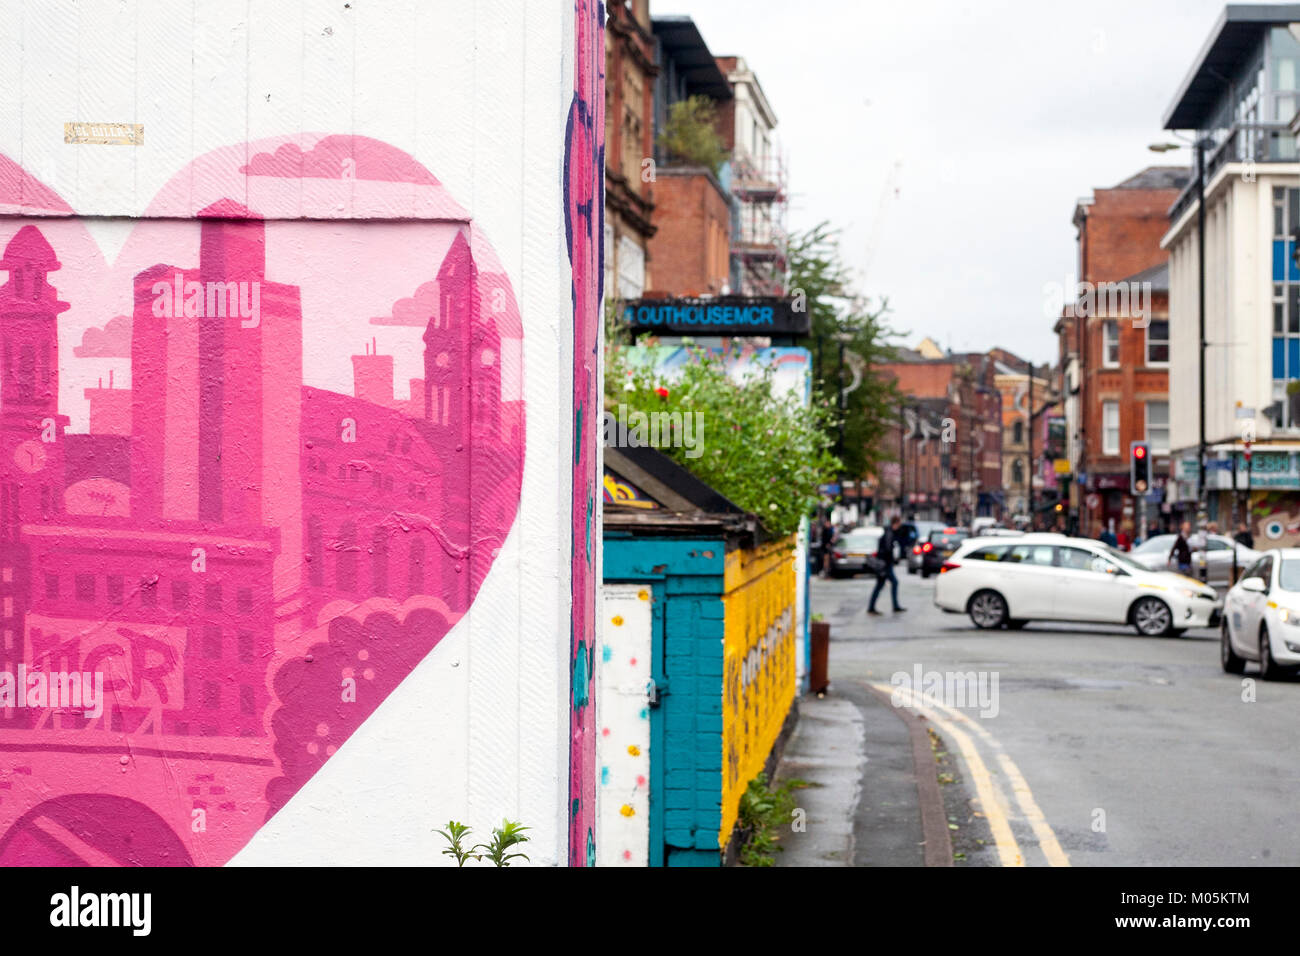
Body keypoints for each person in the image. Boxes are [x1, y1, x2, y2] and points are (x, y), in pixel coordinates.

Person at [868, 516, 906, 615]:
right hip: (885, 564)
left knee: (881, 585)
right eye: (899, 524)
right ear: (896, 523)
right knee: (893, 583)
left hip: (884, 563)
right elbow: (887, 549)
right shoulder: (889, 533)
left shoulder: (888, 532)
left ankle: (872, 607)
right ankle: (894, 606)